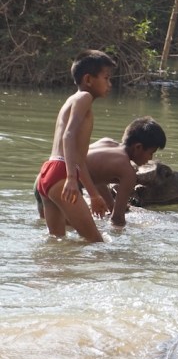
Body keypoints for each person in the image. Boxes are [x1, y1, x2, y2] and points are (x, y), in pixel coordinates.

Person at [35, 50, 116, 242]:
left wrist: (94, 195)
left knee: (57, 242)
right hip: (61, 174)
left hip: (47, 174)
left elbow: (79, 159)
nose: (110, 84)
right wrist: (71, 178)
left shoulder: (71, 100)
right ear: (88, 79)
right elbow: (68, 135)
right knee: (96, 243)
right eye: (106, 78)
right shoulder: (84, 98)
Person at [83, 117, 168, 228]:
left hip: (60, 171)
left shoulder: (106, 142)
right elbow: (117, 219)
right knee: (93, 236)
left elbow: (94, 176)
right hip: (69, 187)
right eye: (151, 153)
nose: (150, 158)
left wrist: (111, 205)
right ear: (138, 147)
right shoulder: (128, 172)